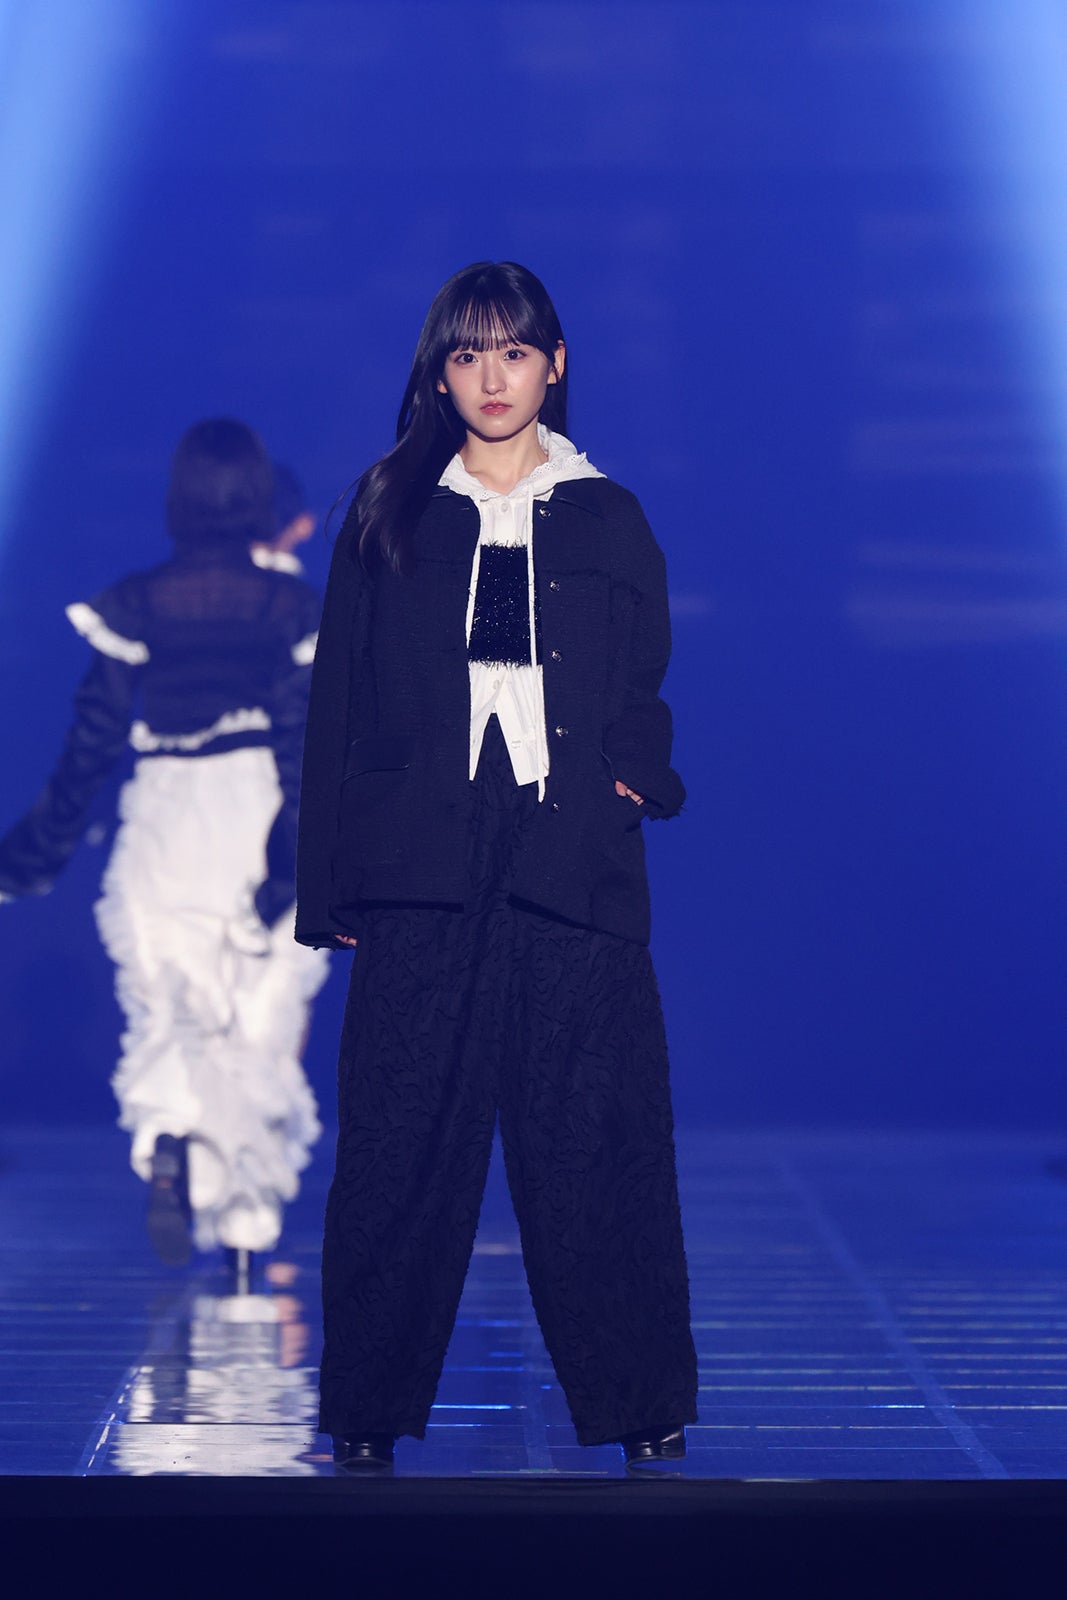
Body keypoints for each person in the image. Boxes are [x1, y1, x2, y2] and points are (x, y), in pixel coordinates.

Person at [297, 261, 698, 1471]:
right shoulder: (390, 509)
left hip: (567, 843)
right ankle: (365, 1413)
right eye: (467, 353)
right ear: (438, 371)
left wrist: (632, 771)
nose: (491, 377)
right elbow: (338, 701)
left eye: (513, 352)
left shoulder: (605, 514)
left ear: (554, 364)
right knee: (397, 1136)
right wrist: (327, 885)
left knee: (596, 1134)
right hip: (420, 850)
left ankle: (643, 1406)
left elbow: (642, 678)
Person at [0, 419, 330, 1283]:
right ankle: (248, 1229)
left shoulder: (137, 601)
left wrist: (32, 855)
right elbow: (304, 742)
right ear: (257, 498)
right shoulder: (291, 608)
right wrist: (292, 864)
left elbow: (90, 743)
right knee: (256, 1018)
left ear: (177, 497)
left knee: (169, 1005)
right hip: (257, 808)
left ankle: (171, 1138)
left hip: (165, 812)